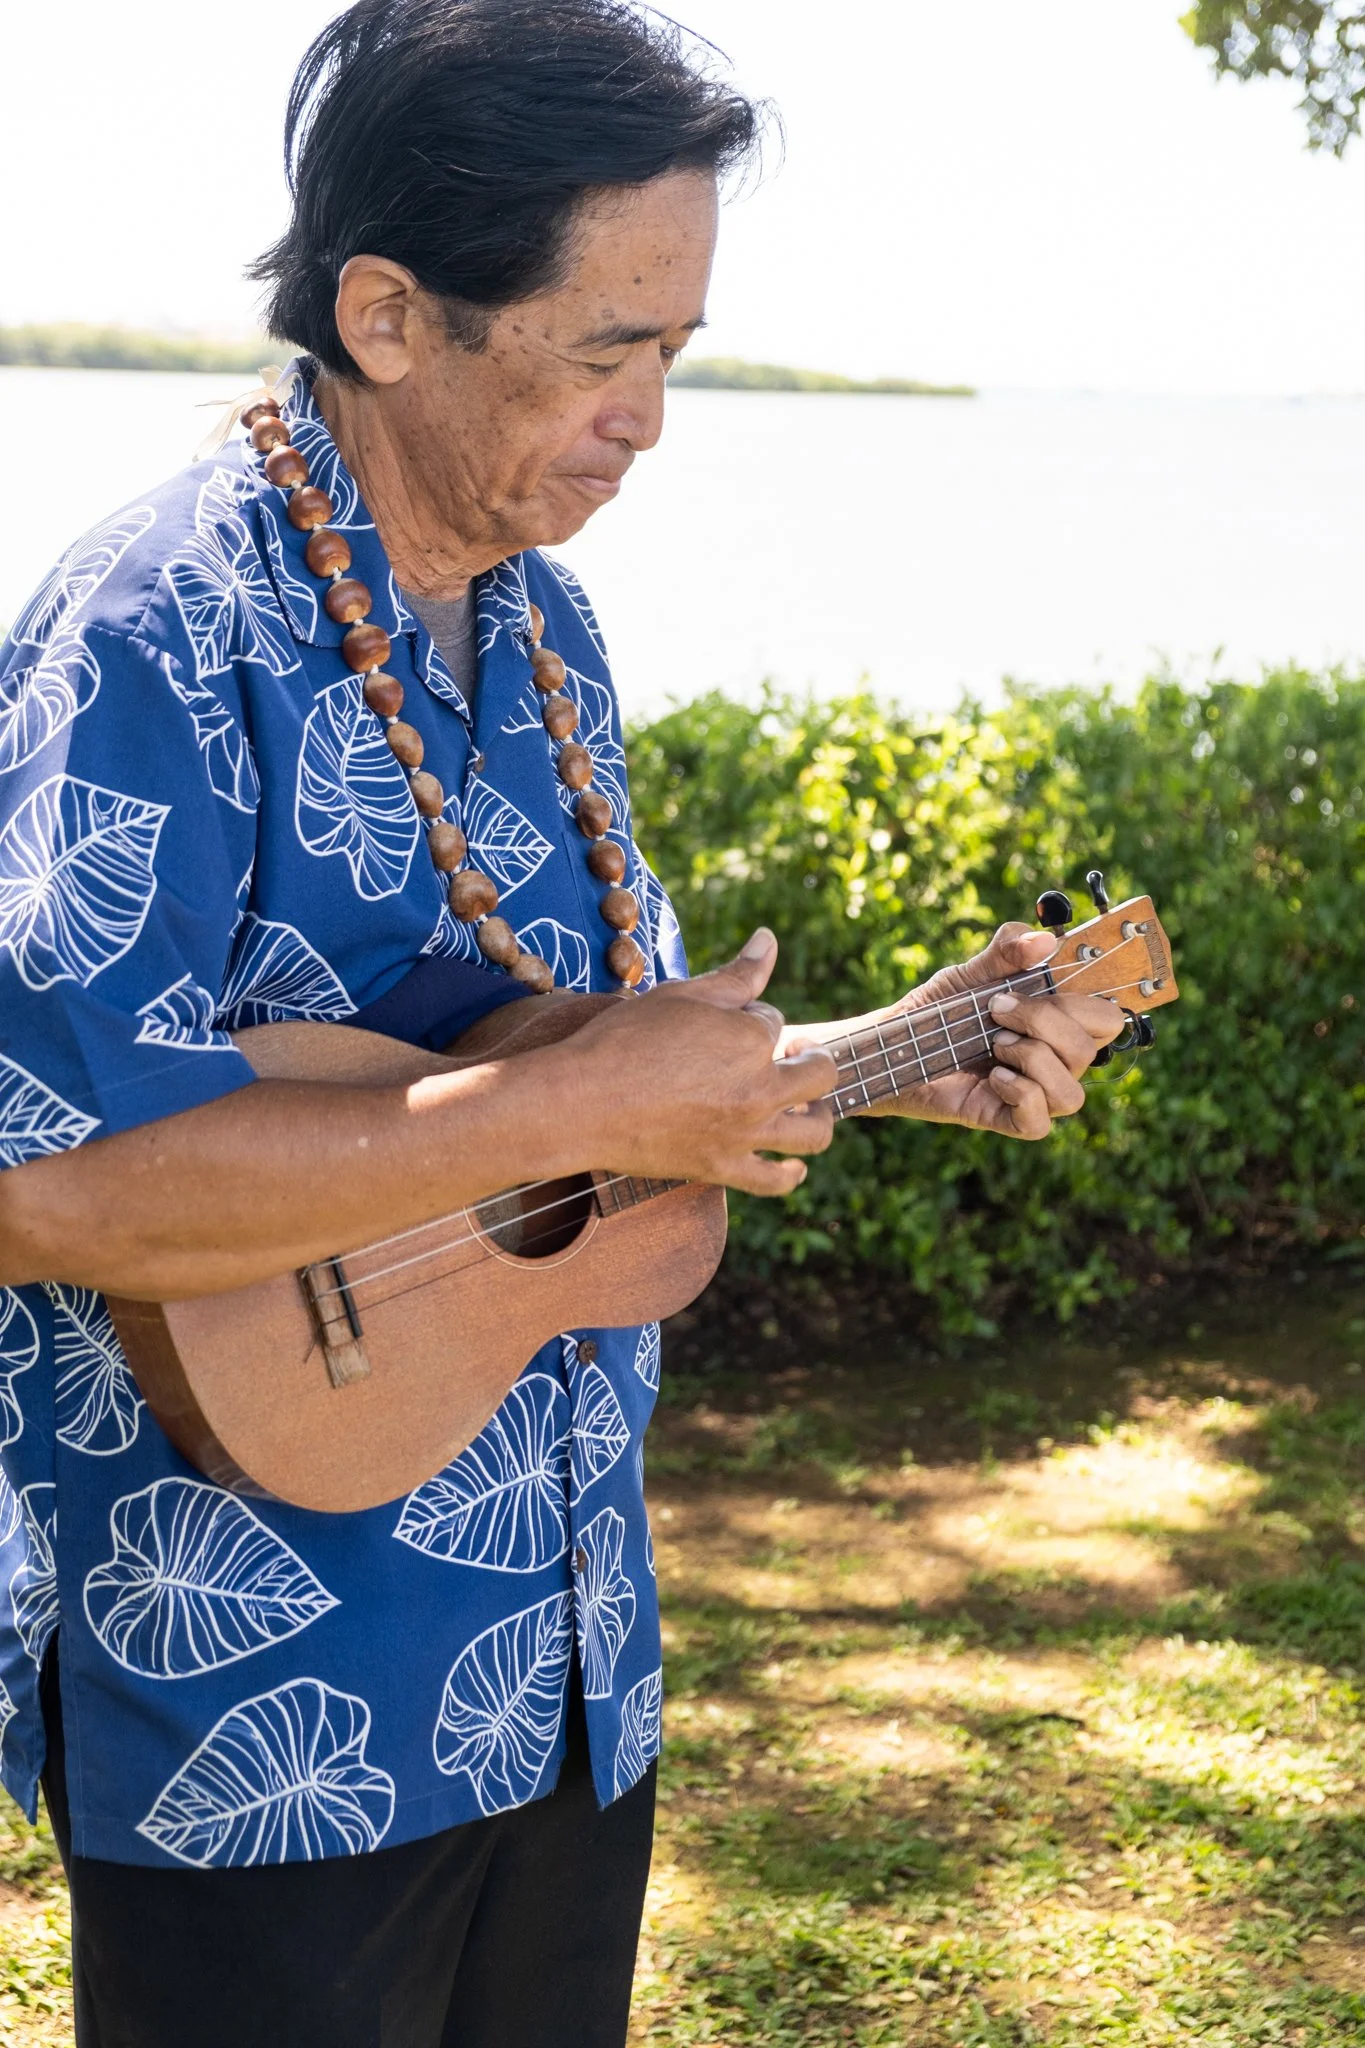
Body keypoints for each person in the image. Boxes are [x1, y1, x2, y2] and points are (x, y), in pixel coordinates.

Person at [0, 2, 1120, 2041]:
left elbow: (593, 1095)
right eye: (608, 349)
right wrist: (564, 1114)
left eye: (676, 350)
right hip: (269, 1713)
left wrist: (904, 1050)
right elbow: (49, 1186)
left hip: (564, 1657)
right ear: (388, 315)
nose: (650, 418)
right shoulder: (154, 631)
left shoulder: (547, 629)